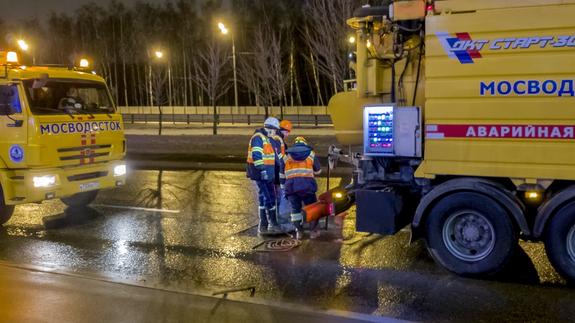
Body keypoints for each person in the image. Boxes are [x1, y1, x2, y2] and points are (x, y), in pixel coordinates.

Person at [246, 117, 282, 235]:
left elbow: (274, 157)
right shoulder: (258, 138)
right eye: (275, 130)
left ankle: (264, 224)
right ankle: (273, 223)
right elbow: (257, 156)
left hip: (267, 174)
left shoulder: (267, 139)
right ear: (270, 129)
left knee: (263, 197)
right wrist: (263, 171)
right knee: (269, 197)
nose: (276, 132)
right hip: (261, 174)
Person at [282, 136, 322, 240]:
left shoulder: (286, 156)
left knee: (295, 210)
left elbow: (282, 173)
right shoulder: (311, 154)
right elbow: (318, 171)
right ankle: (313, 231)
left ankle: (299, 231)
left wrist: (283, 185)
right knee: (312, 208)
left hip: (291, 187)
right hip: (307, 186)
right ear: (305, 144)